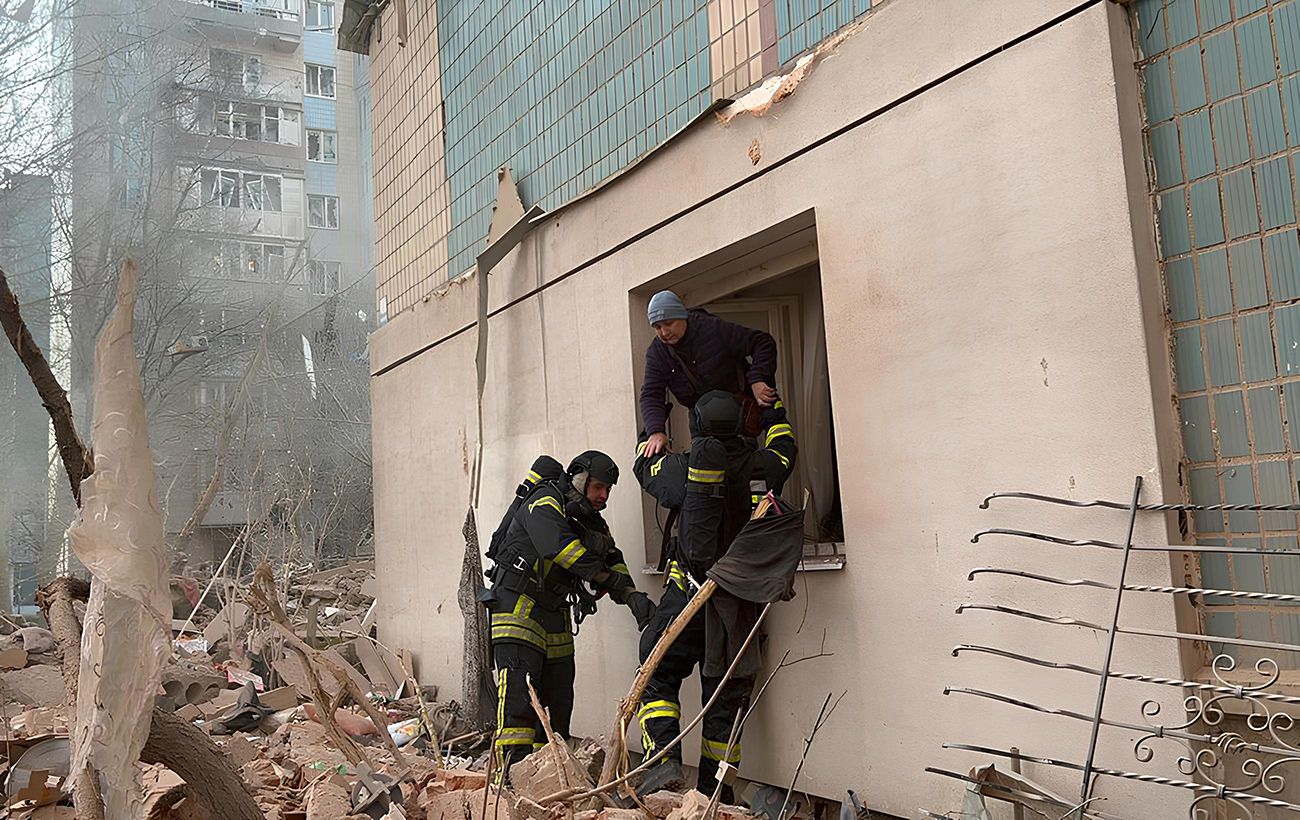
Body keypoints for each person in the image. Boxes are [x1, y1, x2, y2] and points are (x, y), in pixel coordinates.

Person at [632, 391, 798, 801]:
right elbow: (785, 449)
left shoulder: (682, 468)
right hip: (738, 609)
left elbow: (644, 466)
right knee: (726, 699)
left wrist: (652, 429)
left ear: (698, 427)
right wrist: (773, 410)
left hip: (687, 599)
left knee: (656, 675)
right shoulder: (762, 466)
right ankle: (716, 794)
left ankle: (663, 763)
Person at [483, 451, 656, 774]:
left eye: (608, 490)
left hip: (554, 613)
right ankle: (511, 778)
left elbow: (611, 557)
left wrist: (632, 596)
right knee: (520, 700)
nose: (603, 496)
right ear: (579, 479)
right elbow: (560, 548)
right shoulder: (545, 500)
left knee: (557, 704)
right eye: (599, 487)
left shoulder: (590, 520)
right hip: (518, 608)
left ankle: (546, 778)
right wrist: (607, 579)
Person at [640, 290, 779, 458]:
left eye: (668, 323)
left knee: (744, 464)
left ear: (682, 316)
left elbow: (762, 342)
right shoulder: (657, 352)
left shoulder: (712, 328)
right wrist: (656, 431)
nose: (663, 332)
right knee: (703, 465)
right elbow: (651, 393)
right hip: (699, 418)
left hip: (736, 409)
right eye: (657, 327)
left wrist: (757, 379)